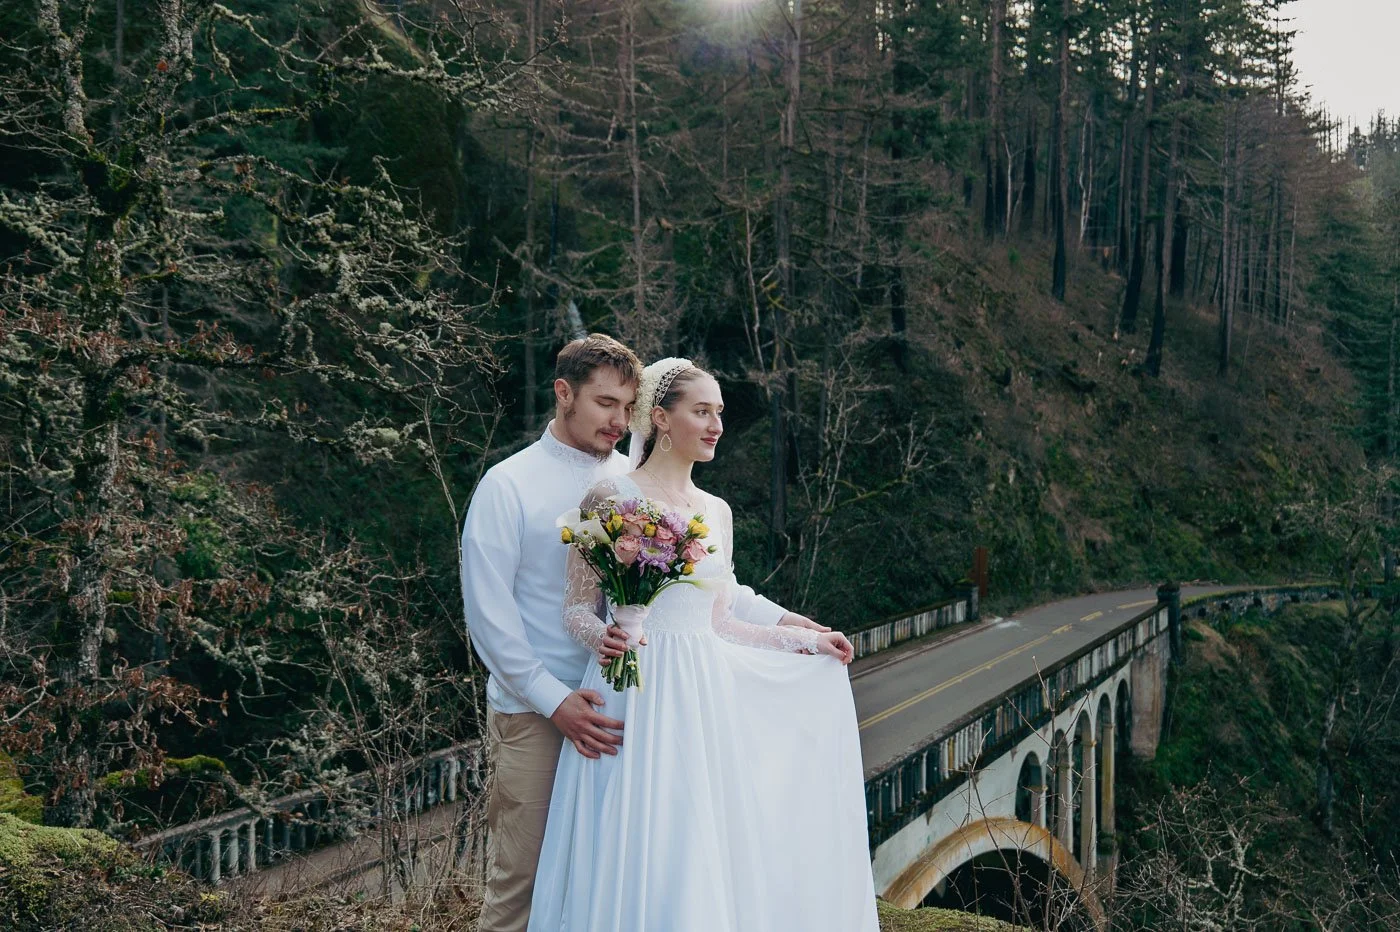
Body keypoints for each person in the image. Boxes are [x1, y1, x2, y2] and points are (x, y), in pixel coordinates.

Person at [461, 338, 824, 932]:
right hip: (535, 708)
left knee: (609, 878)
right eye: (605, 403)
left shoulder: (631, 479)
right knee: (523, 888)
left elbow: (709, 595)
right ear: (563, 394)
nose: (617, 420)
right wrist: (555, 701)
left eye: (627, 406)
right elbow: (488, 618)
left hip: (627, 707)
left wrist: (793, 628)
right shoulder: (508, 485)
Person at [527, 358, 877, 932]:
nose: (716, 425)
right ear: (661, 418)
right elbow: (575, 608)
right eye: (702, 411)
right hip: (630, 692)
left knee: (693, 839)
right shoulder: (610, 495)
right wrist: (606, 636)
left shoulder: (717, 511)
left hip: (701, 696)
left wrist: (803, 640)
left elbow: (722, 618)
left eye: (719, 413)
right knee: (635, 832)